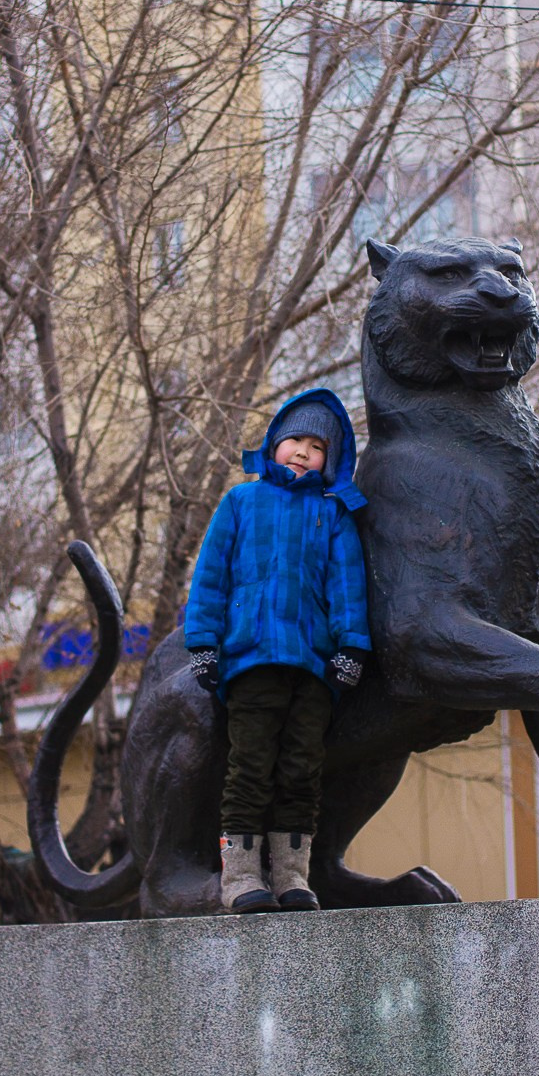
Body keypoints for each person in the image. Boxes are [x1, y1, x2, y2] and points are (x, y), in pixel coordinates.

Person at [184, 388, 371, 914]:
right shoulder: (240, 502)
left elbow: (348, 587)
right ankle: (241, 879)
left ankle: (292, 877)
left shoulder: (333, 515)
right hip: (250, 661)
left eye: (317, 446)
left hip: (312, 667)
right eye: (296, 439)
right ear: (273, 444)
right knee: (250, 766)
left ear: (328, 461)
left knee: (301, 770)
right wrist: (202, 642)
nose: (303, 451)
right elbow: (211, 578)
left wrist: (352, 648)